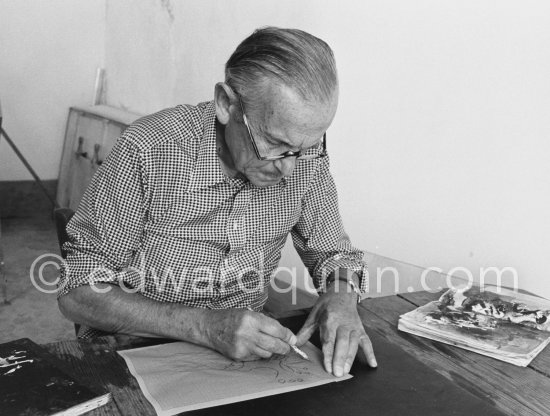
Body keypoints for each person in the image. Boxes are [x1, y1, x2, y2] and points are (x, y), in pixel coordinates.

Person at [58, 27, 377, 378]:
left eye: (302, 149)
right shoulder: (149, 151)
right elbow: (78, 290)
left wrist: (342, 295)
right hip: (131, 354)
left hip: (239, 364)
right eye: (273, 143)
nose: (288, 167)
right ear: (227, 104)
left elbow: (334, 256)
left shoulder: (304, 158)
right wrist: (206, 327)